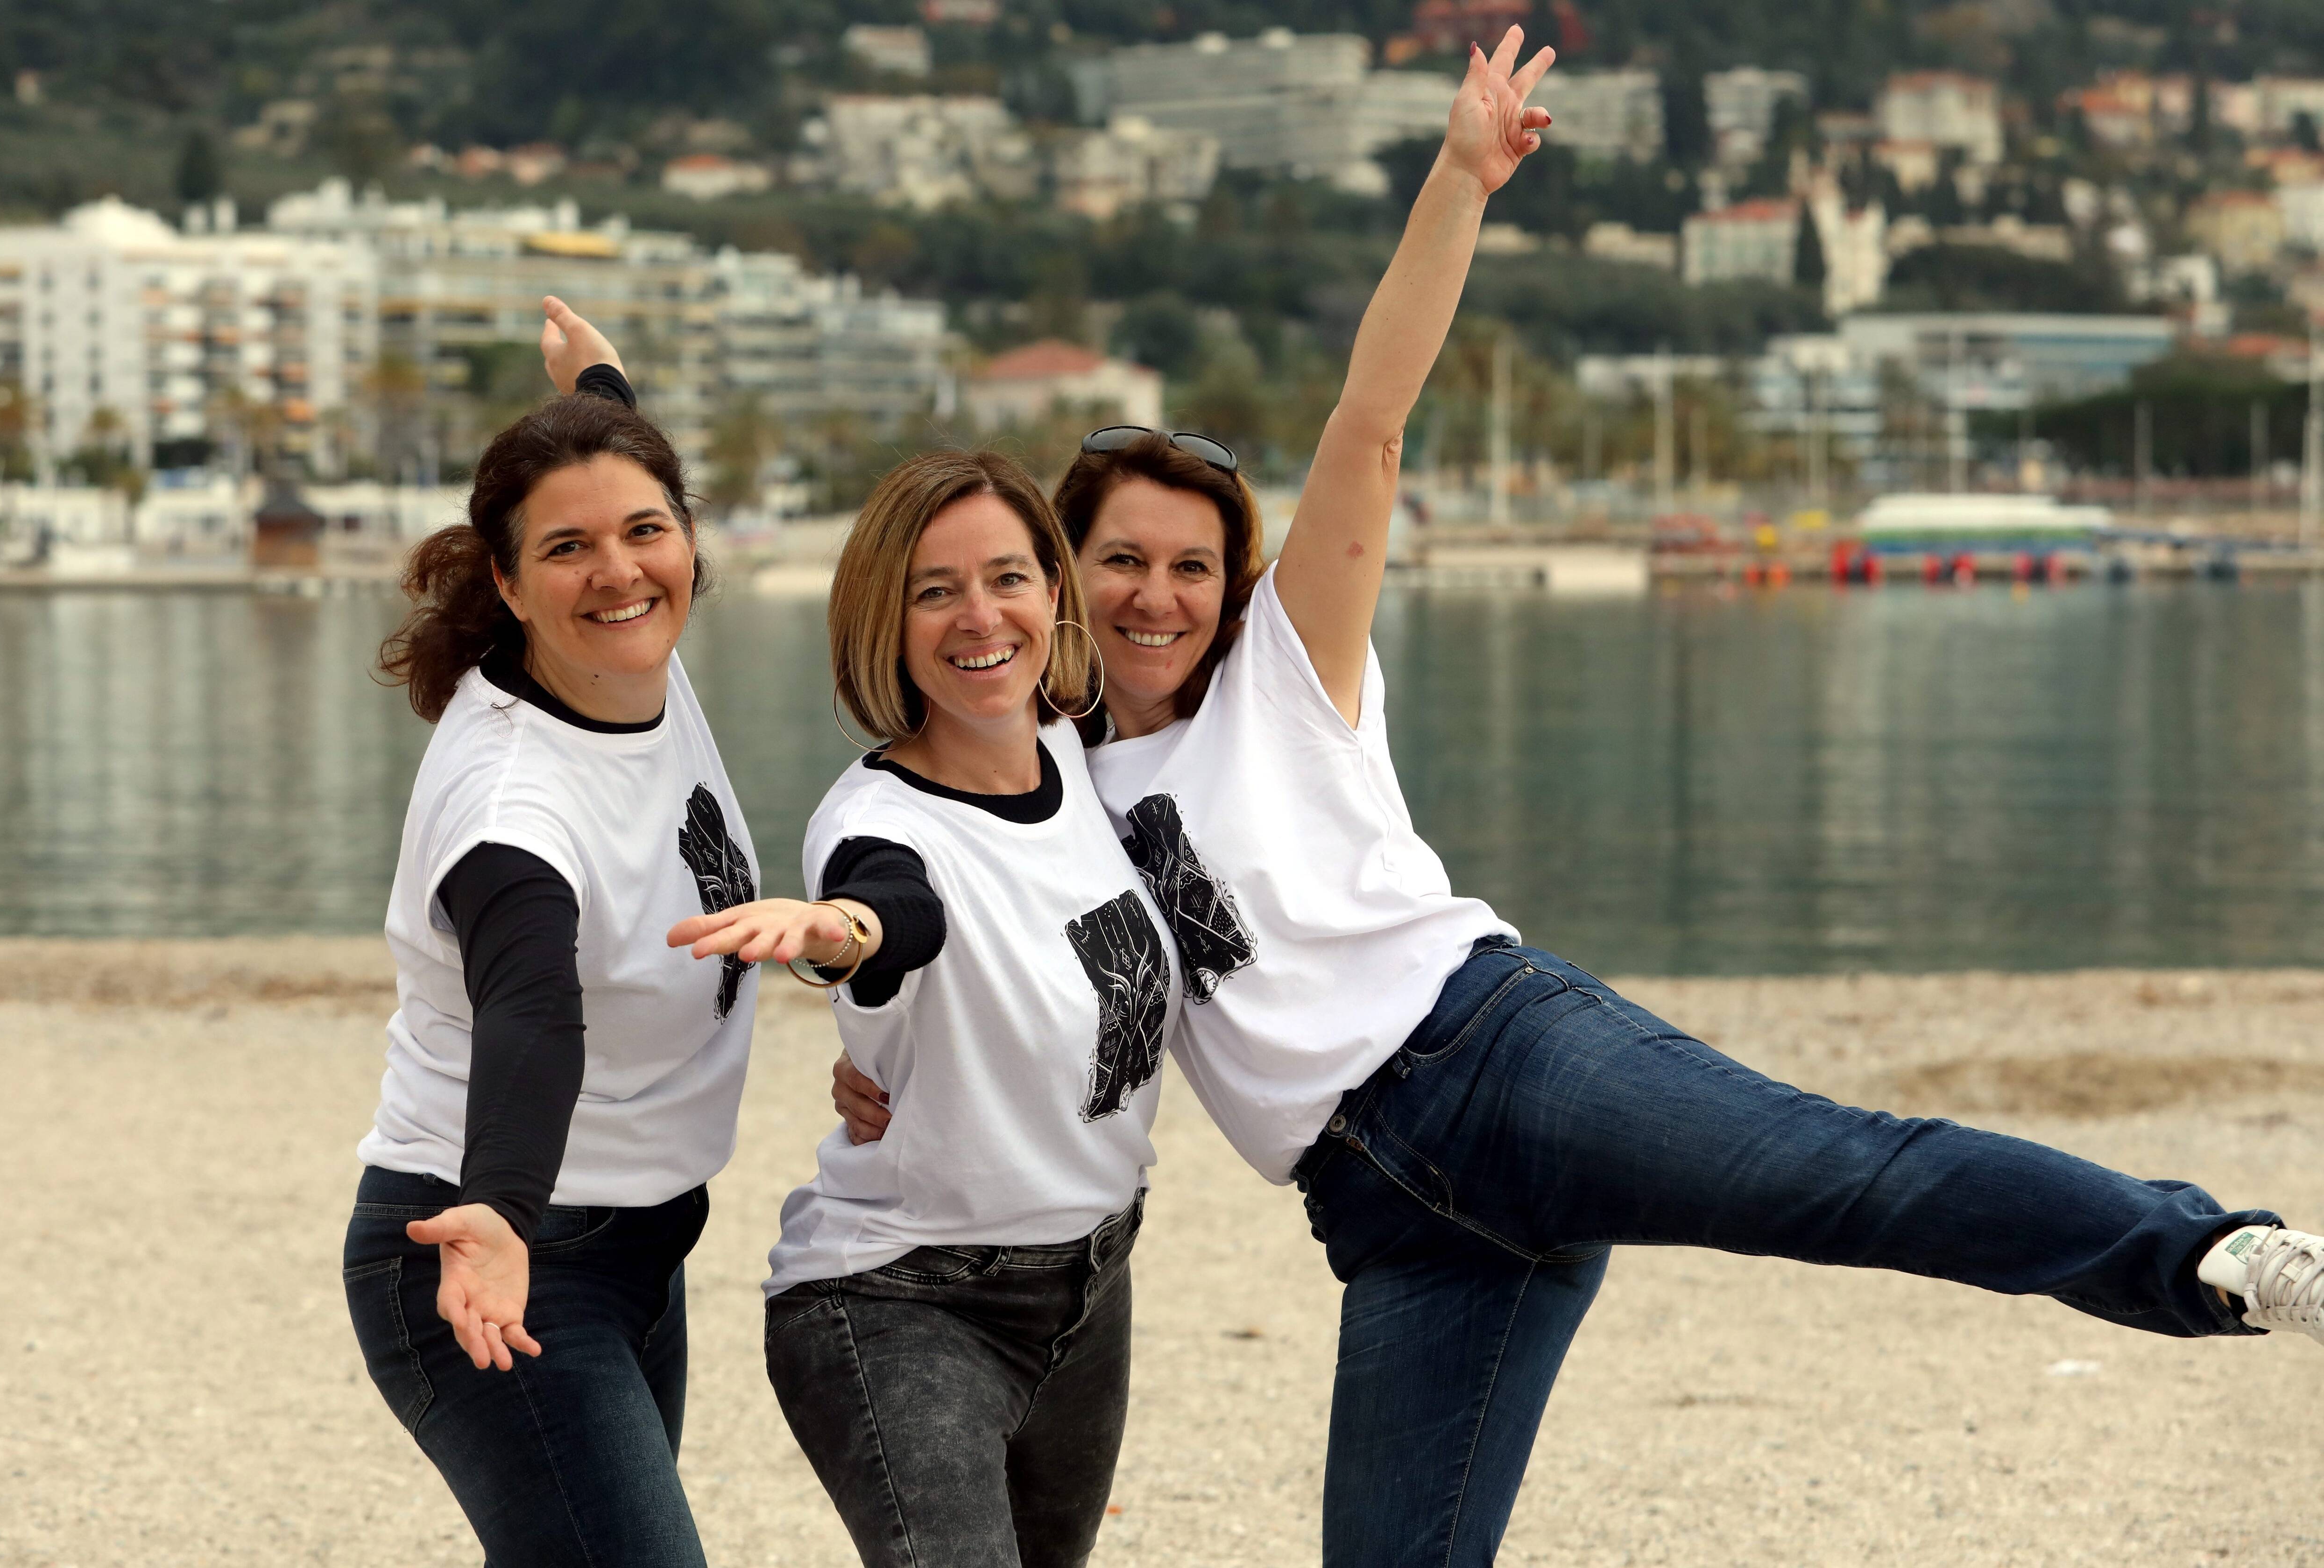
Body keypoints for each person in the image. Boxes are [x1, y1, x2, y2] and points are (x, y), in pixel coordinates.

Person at [834, 32, 2324, 1568]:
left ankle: (2222, 1254)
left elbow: (1371, 417)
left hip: (1498, 1063)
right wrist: (882, 1060)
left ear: (1234, 584)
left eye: (1193, 565)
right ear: (1066, 570)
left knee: (1849, 1178)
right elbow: (971, 933)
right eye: (1122, 561)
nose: (1158, 594)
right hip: (1386, 1217)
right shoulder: (1044, 783)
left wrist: (1460, 182)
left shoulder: (1287, 666)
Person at [671, 448, 1181, 1568]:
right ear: (886, 623)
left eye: (1007, 577)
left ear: (1053, 589)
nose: (979, 616)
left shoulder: (1080, 754)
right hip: (905, 1300)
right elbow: (898, 911)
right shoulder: (878, 824)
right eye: (934, 590)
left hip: (1093, 1282)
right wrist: (837, 931)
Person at [344, 298, 750, 1566]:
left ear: (688, 540)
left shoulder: (629, 660)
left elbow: (615, 469)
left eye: (648, 532)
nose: (620, 570)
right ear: (509, 583)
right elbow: (531, 1008)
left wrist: (601, 382)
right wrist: (504, 1210)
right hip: (494, 1253)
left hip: (640, 1239)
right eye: (568, 549)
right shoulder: (512, 805)